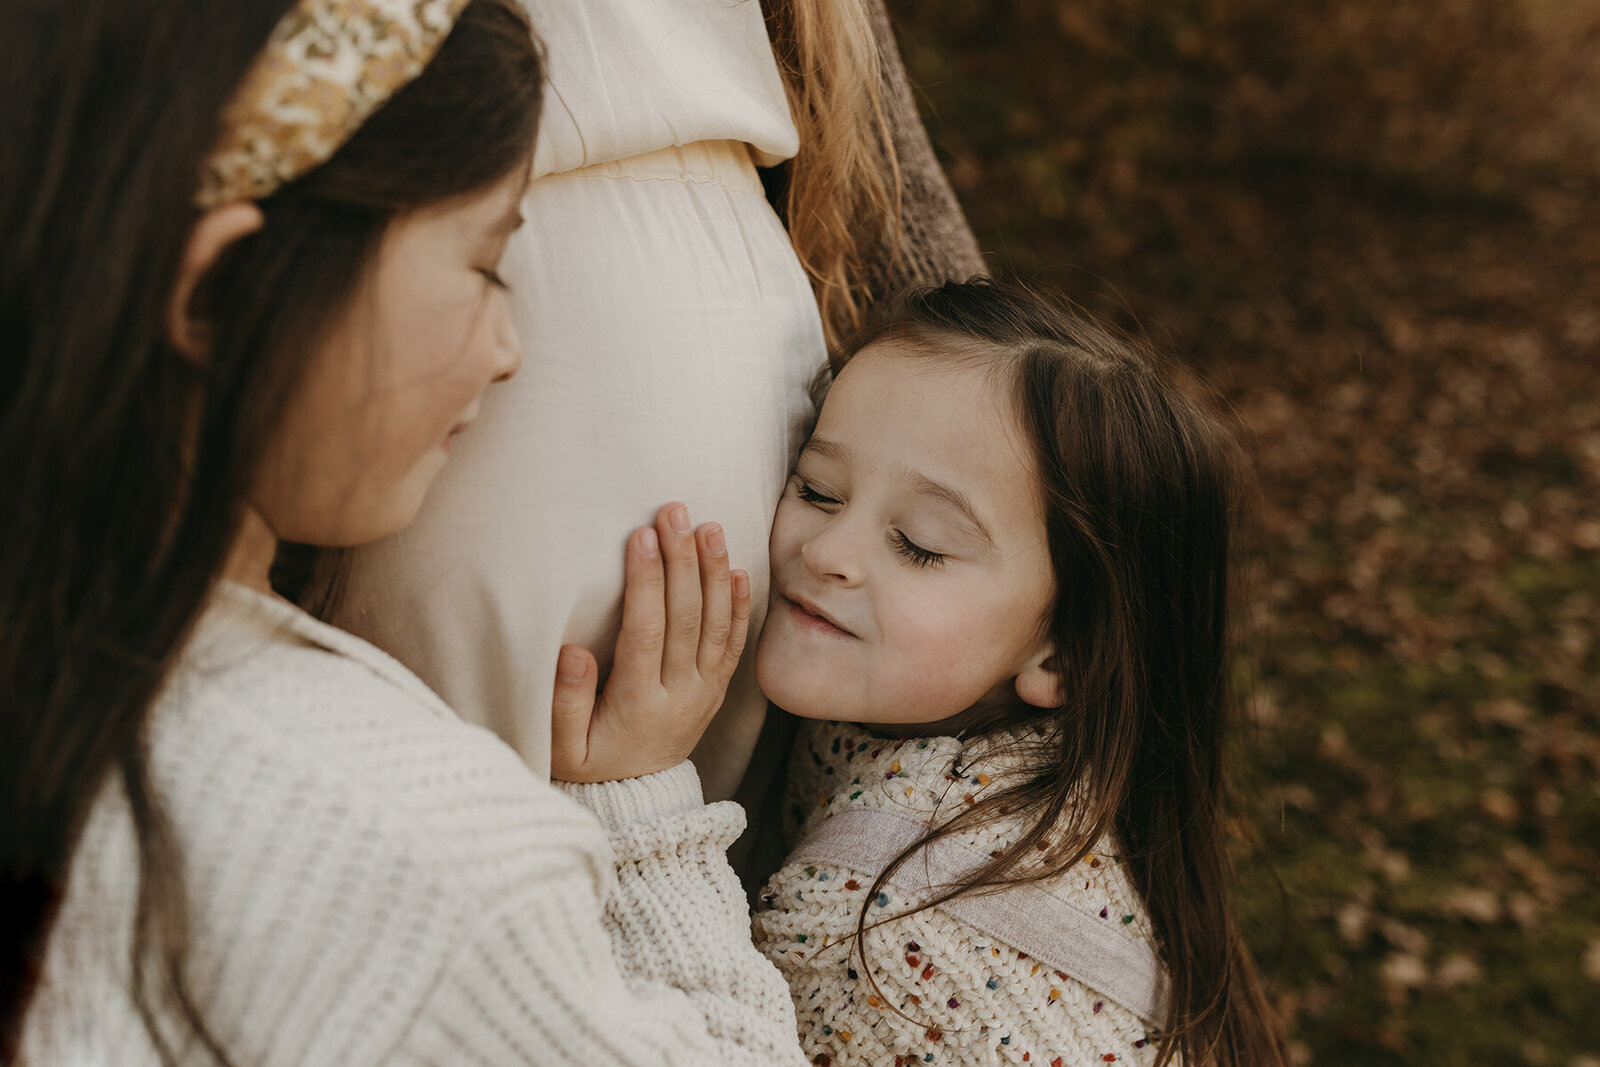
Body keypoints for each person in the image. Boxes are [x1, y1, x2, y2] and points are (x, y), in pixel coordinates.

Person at [2, 1, 808, 1062]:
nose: (511, 347)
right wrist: (644, 830)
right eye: (485, 265)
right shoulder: (418, 854)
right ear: (220, 290)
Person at [330, 0, 987, 807]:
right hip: (446, 246)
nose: (832, 553)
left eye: (919, 544)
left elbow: (885, 149)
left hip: (736, 217)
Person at [747, 282, 1291, 1066]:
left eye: (922, 545)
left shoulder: (876, 943)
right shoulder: (1068, 770)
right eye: (818, 490)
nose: (828, 552)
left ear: (1063, 652)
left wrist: (641, 803)